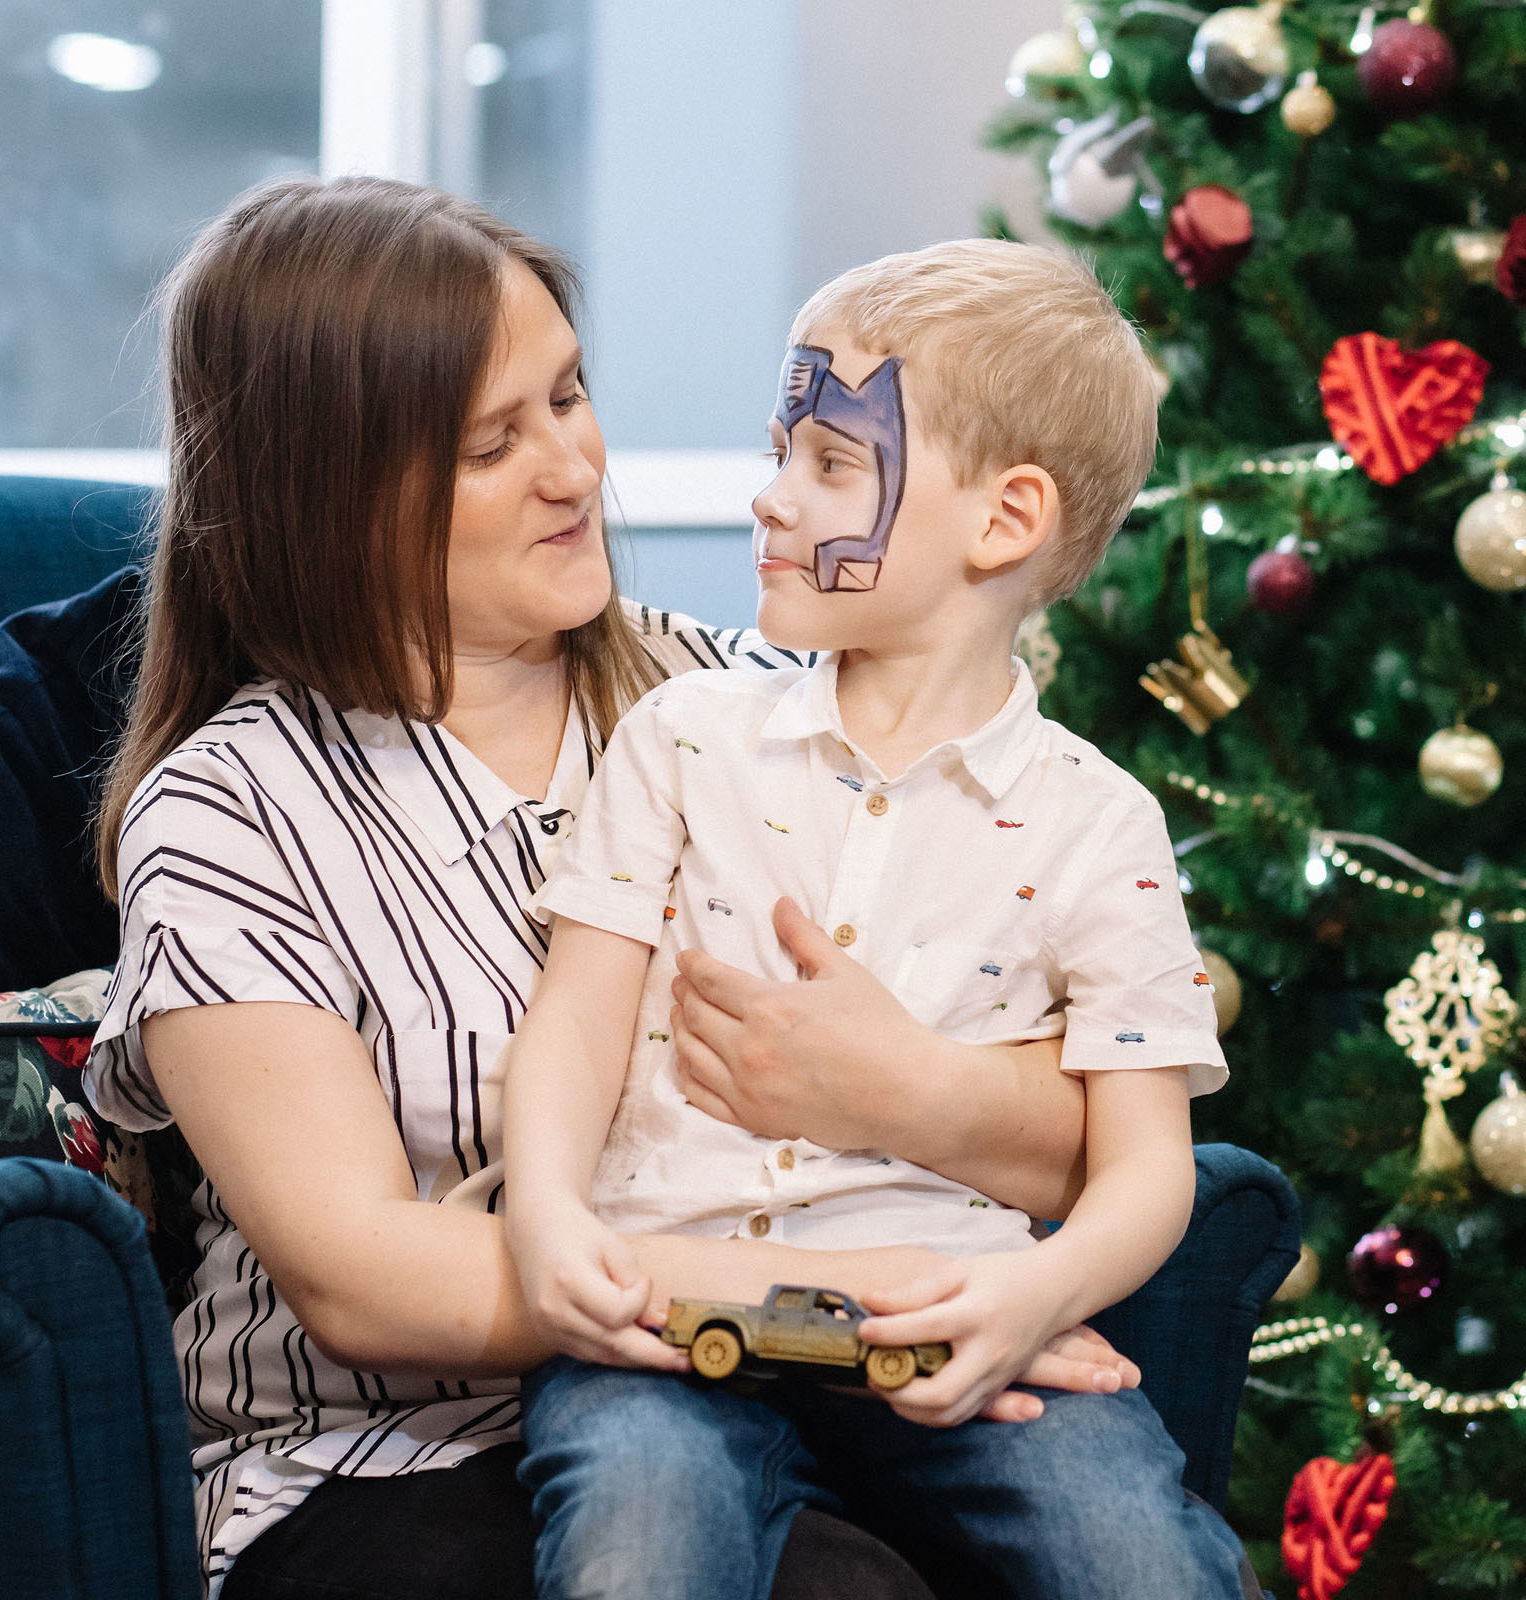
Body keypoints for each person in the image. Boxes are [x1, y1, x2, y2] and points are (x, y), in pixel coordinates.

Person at [84, 177, 1133, 1600]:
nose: (575, 469)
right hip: (378, 1459)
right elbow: (363, 1279)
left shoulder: (750, 704)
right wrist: (835, 1311)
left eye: (569, 396)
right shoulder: (227, 812)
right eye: (491, 444)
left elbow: (1097, 1141)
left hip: (776, 1415)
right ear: (324, 495)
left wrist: (905, 1101)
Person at [503, 240, 1247, 1600]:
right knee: (635, 1550)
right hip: (674, 1327)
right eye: (780, 450)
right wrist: (547, 1216)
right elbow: (576, 1021)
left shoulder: (1102, 826)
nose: (772, 498)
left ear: (1004, 521)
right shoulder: (681, 739)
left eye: (830, 465)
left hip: (956, 1331)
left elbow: (1149, 1168)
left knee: (1146, 1566)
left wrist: (1038, 1294)